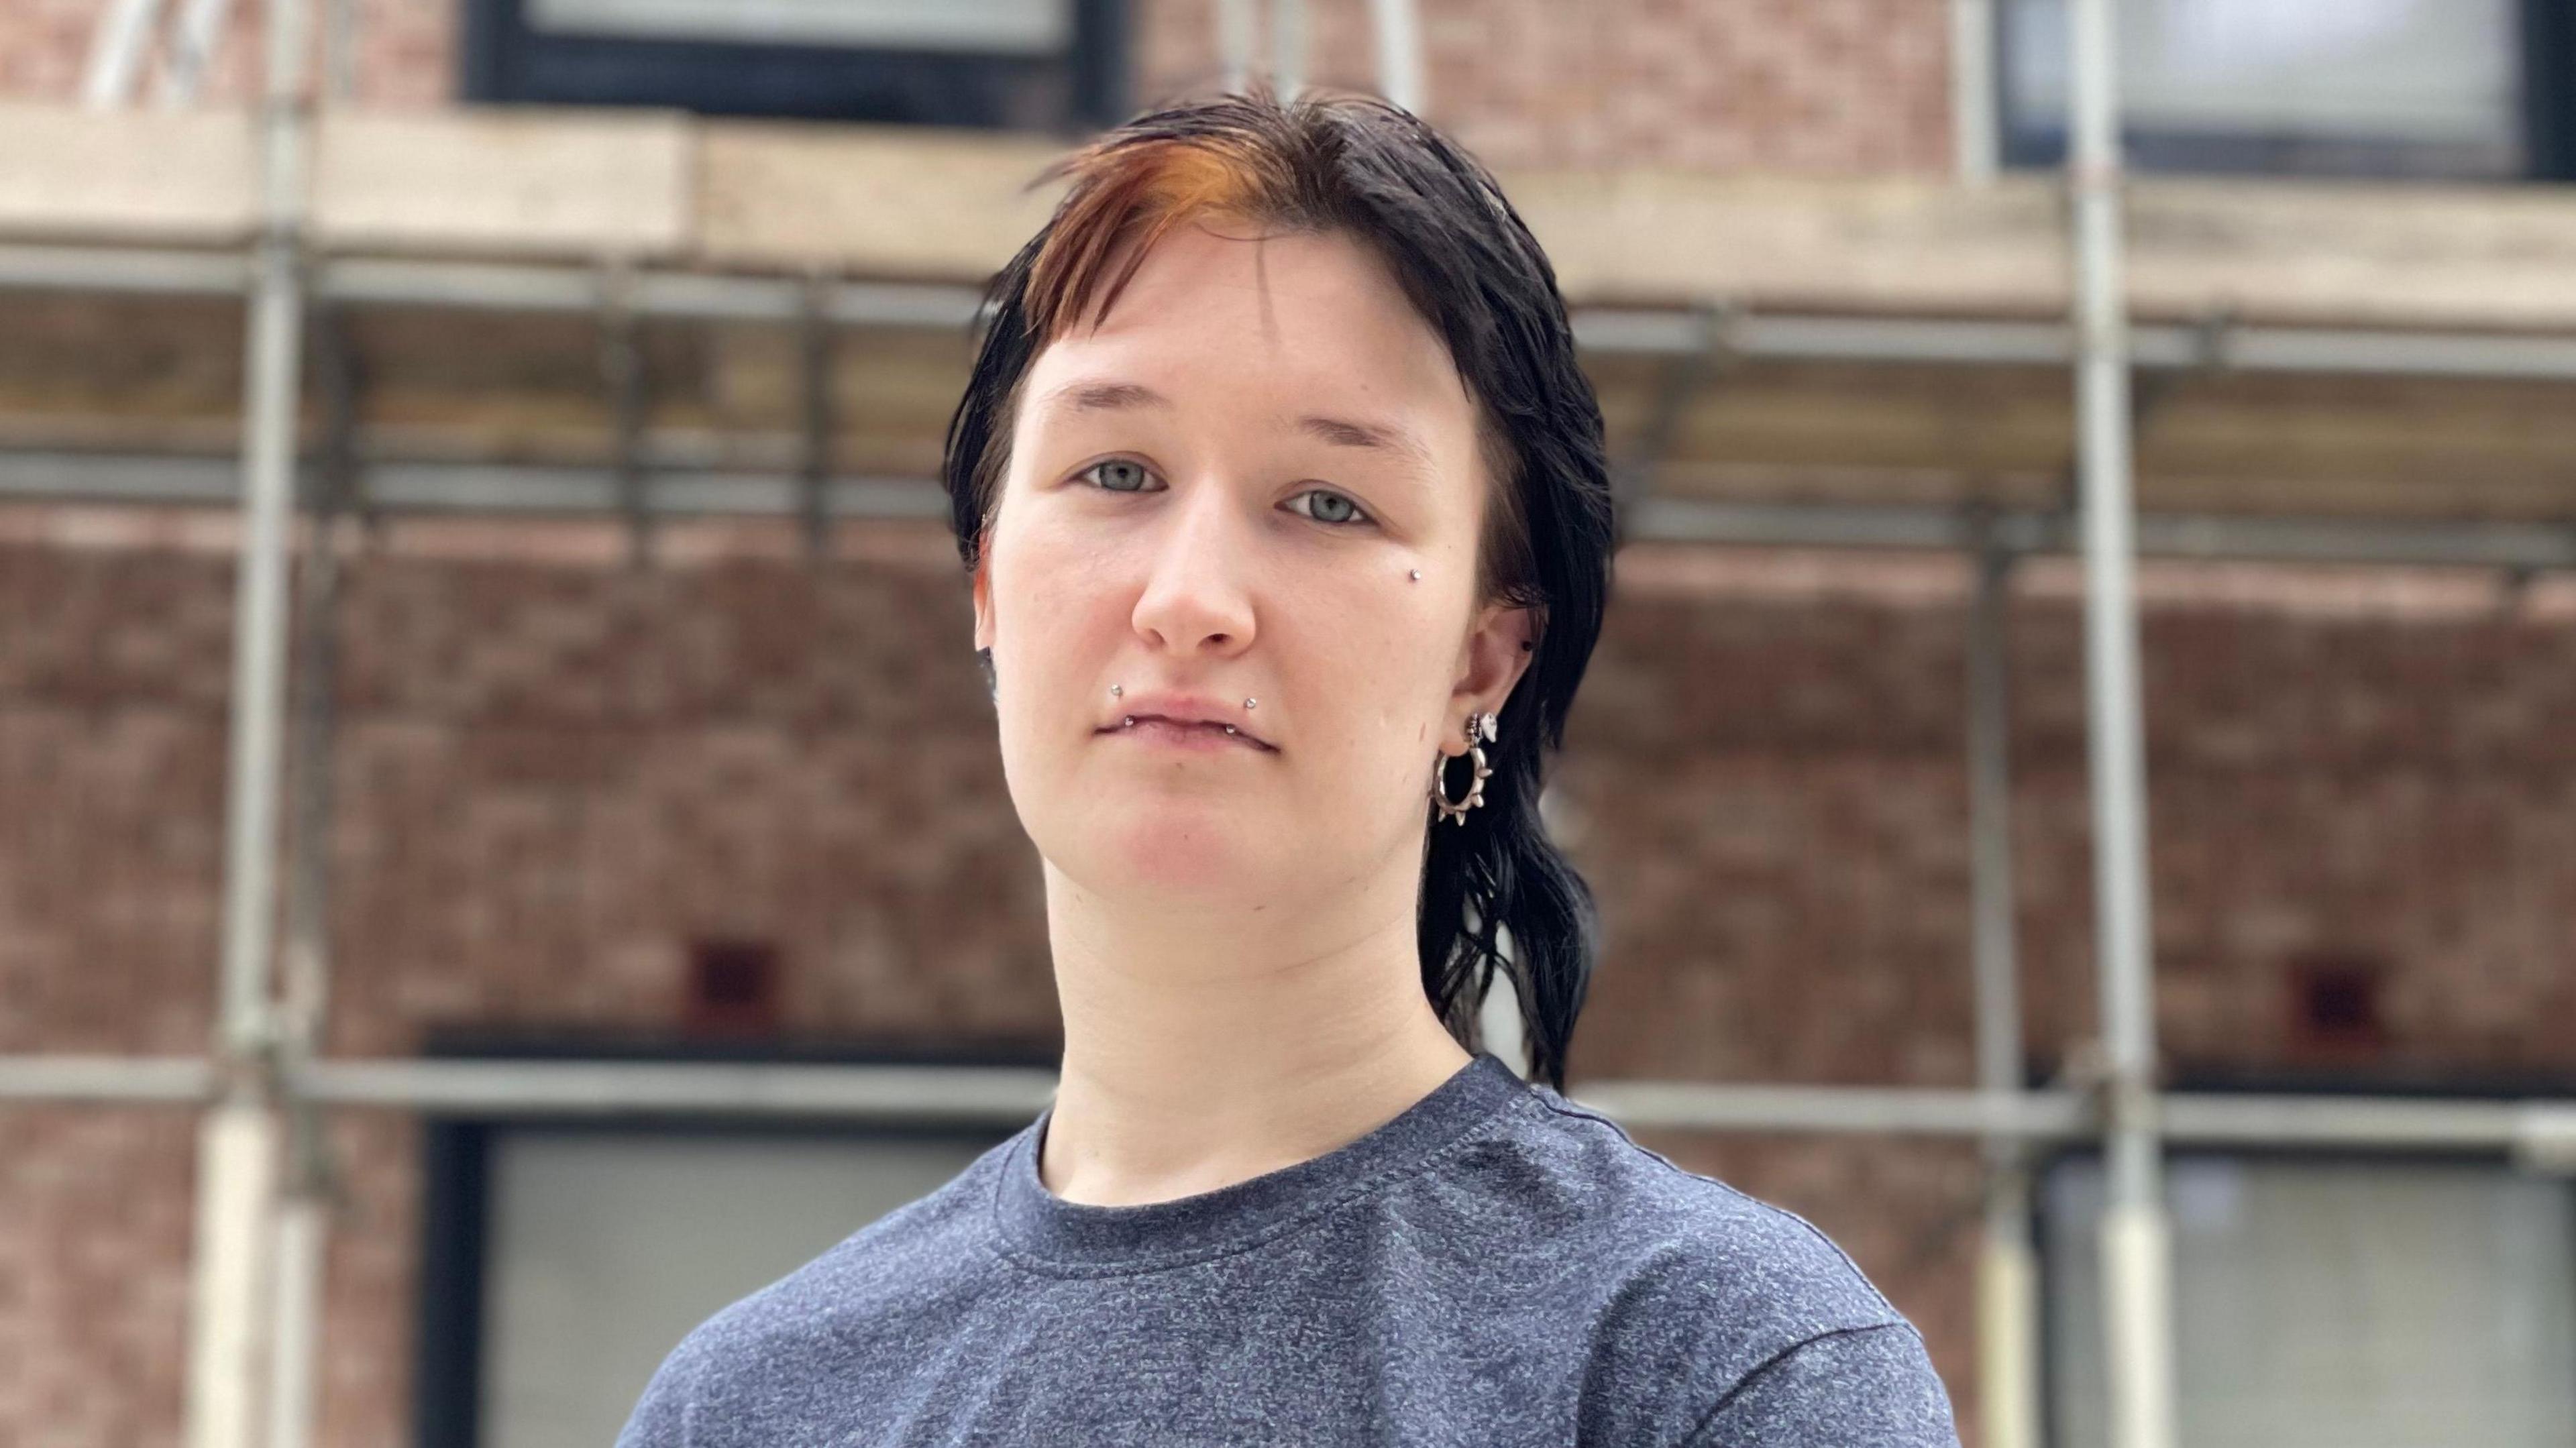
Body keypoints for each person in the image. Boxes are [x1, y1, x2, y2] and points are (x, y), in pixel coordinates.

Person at [616, 82, 1959, 1447]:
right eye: (1118, 473)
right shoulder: (749, 1404)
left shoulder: (1712, 1365)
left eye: (1329, 502)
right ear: (985, 587)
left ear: (1480, 665)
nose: (1190, 598)